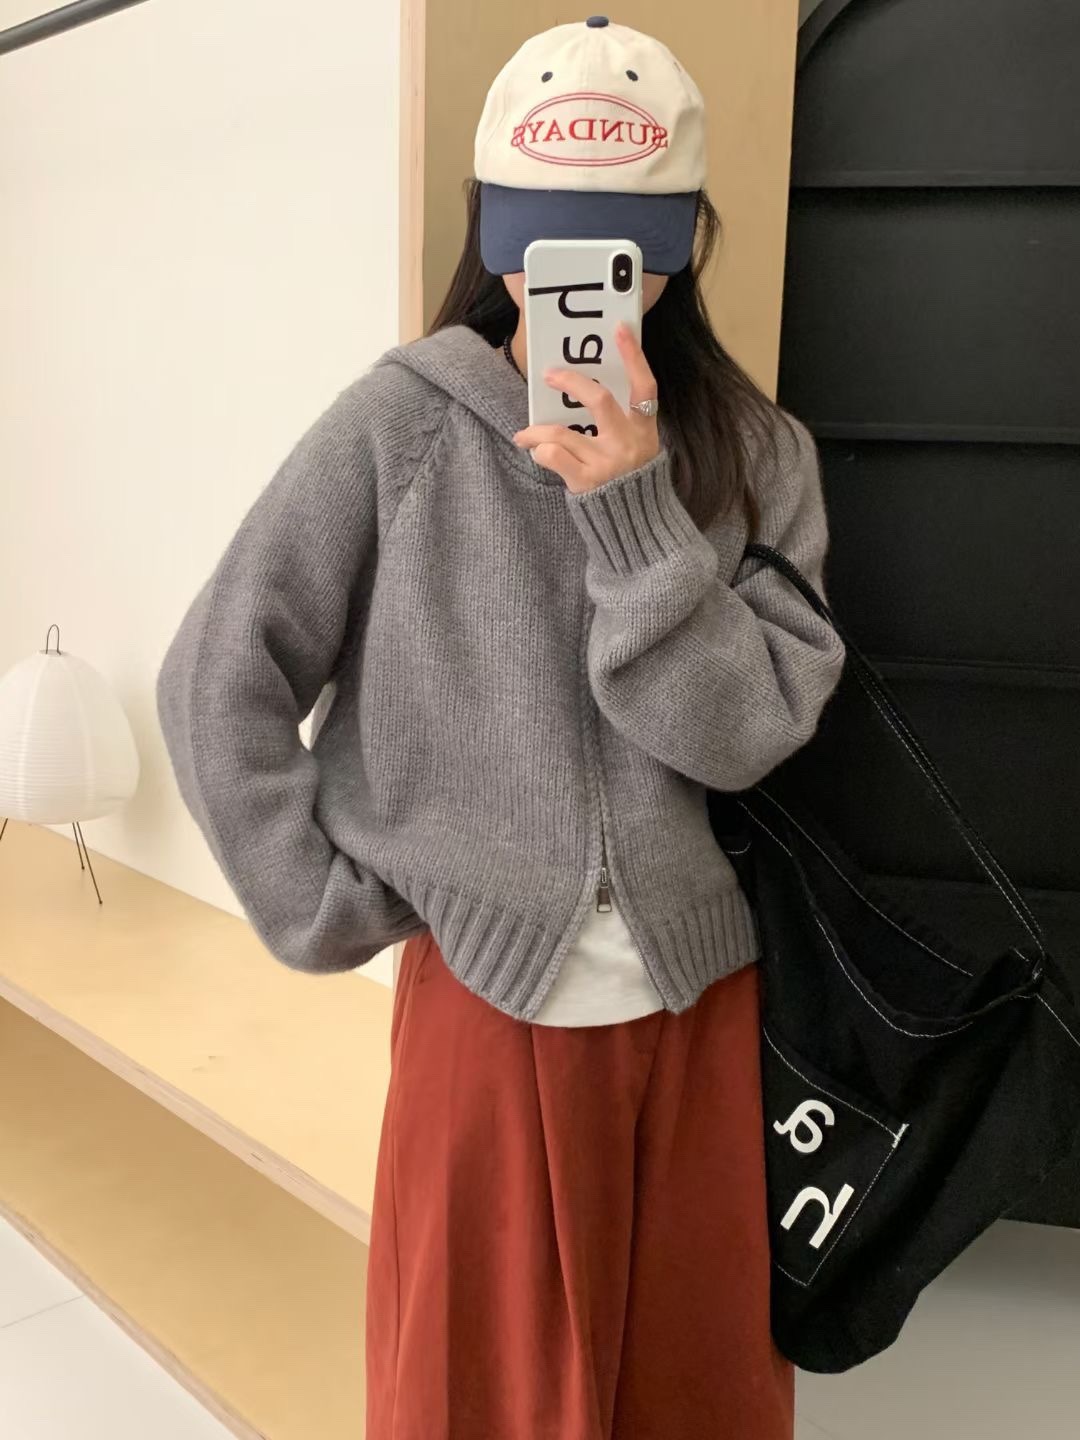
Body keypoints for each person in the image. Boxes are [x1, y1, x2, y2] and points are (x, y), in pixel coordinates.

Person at [155, 16, 846, 1439]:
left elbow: (753, 735)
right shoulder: (397, 427)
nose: (574, 279)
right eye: (542, 240)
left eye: (622, 246)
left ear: (682, 246)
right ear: (493, 232)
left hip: (705, 1012)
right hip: (485, 1013)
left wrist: (634, 512)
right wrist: (328, 905)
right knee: (476, 1404)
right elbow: (217, 675)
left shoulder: (757, 452)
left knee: (697, 1401)